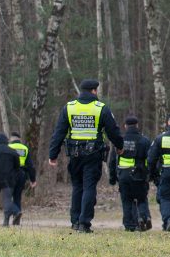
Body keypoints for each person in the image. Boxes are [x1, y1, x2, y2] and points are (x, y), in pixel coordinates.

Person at [48, 78, 124, 232]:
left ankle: (75, 221)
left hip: (75, 154)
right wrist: (120, 147)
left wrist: (53, 154)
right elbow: (113, 131)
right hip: (93, 154)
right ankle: (84, 223)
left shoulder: (69, 108)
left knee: (77, 187)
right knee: (89, 187)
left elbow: (59, 133)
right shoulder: (101, 108)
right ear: (94, 91)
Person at [108, 115, 152, 231]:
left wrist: (112, 177)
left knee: (127, 200)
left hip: (123, 175)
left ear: (125, 126)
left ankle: (130, 225)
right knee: (141, 198)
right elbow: (150, 160)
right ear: (137, 125)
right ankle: (144, 217)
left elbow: (112, 161)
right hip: (139, 174)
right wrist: (150, 175)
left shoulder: (120, 140)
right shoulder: (145, 141)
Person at [8, 132, 37, 226]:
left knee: (7, 197)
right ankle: (17, 220)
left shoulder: (8, 147)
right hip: (22, 174)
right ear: (19, 139)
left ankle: (12, 215)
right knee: (17, 197)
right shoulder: (24, 148)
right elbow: (30, 166)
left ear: (11, 138)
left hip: (11, 173)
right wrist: (33, 179)